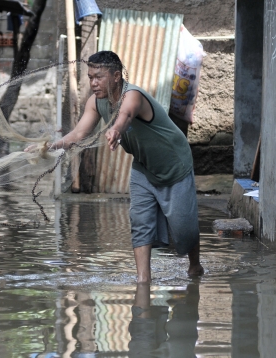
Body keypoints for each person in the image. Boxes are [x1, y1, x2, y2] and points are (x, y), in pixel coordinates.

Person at [27, 51, 203, 281]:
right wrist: (48, 147)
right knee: (140, 223)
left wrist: (116, 130)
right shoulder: (96, 102)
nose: (93, 83)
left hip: (174, 163)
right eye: (90, 77)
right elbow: (79, 133)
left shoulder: (133, 96)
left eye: (98, 77)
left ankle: (195, 266)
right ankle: (143, 279)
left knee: (184, 229)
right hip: (144, 167)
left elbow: (126, 115)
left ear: (117, 76)